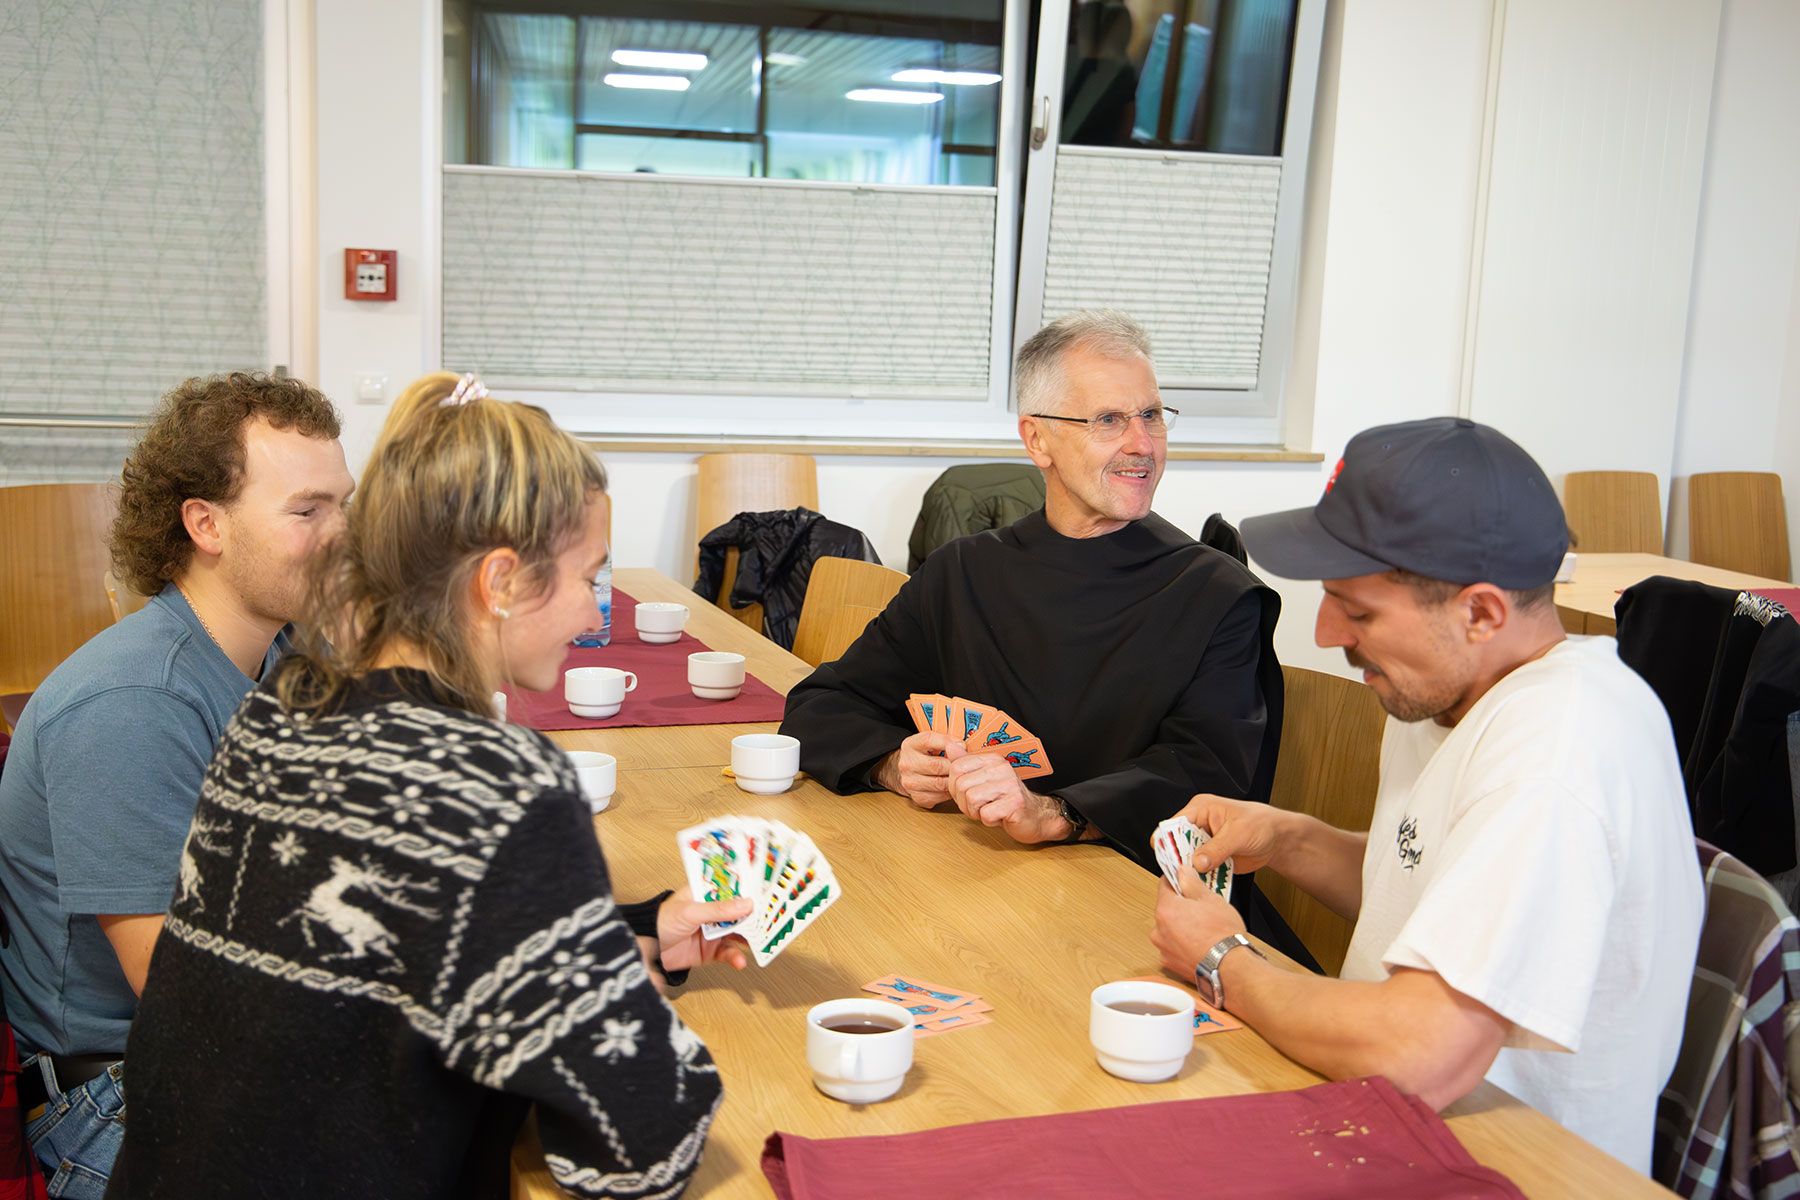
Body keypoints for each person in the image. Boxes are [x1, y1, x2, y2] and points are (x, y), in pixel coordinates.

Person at [107, 372, 749, 1198]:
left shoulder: (278, 709)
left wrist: (606, 947)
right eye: (587, 577)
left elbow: (389, 943)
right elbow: (641, 1158)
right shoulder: (504, 784)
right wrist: (624, 1002)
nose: (594, 614)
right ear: (500, 581)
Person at [1149, 416, 1702, 1172]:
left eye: (1359, 611)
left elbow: (1418, 1052)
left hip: (1511, 1165)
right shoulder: (1446, 688)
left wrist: (1222, 959)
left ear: (1481, 612)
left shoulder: (1558, 749)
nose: (1326, 633)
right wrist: (1286, 839)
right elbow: (1425, 891)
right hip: (1383, 1123)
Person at [782, 310, 1307, 960]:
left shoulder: (1219, 595)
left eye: (1151, 415)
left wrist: (1053, 813)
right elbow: (822, 704)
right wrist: (892, 763)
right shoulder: (964, 572)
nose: (1142, 443)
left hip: (1141, 914)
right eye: (1109, 420)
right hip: (975, 892)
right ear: (1038, 440)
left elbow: (1206, 778)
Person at [0, 373, 353, 1195]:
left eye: (344, 506)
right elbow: (184, 991)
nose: (343, 536)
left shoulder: (288, 655)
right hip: (116, 1094)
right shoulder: (133, 704)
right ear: (206, 525)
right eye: (308, 512)